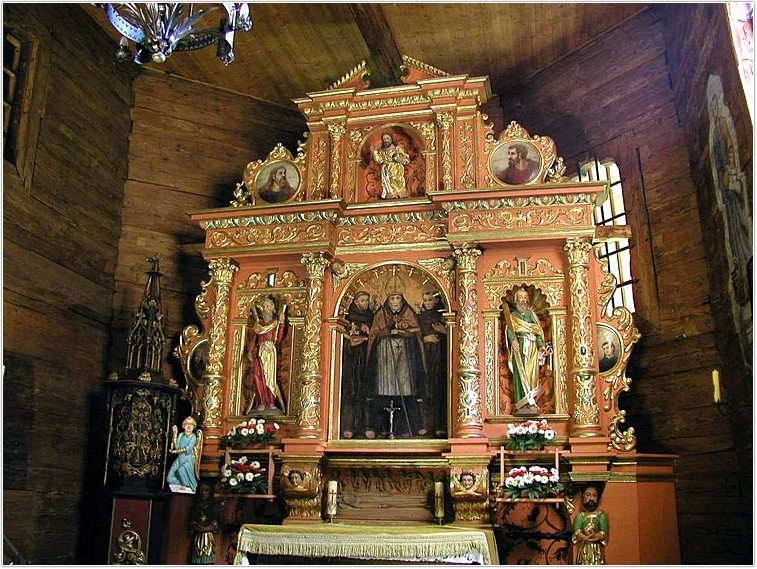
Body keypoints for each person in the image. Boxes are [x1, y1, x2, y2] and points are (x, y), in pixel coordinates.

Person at [365, 293, 428, 438]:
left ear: (402, 300)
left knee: (405, 390)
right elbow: (374, 334)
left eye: (397, 298)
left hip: (404, 358)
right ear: (388, 300)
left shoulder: (408, 313)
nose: (395, 301)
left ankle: (406, 428)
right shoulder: (381, 314)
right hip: (385, 357)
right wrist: (385, 331)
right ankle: (381, 428)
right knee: (384, 390)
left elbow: (417, 333)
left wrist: (406, 332)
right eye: (392, 298)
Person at [503, 287, 547, 415]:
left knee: (532, 374)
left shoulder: (531, 315)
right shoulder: (513, 316)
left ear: (527, 300)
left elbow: (538, 331)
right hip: (519, 347)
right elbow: (509, 330)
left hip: (532, 347)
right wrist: (513, 340)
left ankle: (532, 402)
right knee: (519, 374)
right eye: (520, 297)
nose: (522, 300)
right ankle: (521, 403)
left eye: (524, 298)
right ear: (516, 300)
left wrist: (541, 345)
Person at [243, 296, 287, 414]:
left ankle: (271, 401)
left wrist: (282, 324)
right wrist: (249, 351)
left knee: (270, 377)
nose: (267, 309)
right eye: (265, 306)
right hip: (260, 352)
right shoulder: (259, 324)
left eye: (269, 306)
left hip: (270, 351)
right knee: (257, 376)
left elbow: (279, 338)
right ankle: (261, 401)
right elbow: (253, 339)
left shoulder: (275, 323)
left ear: (273, 308)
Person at [340, 291, 375, 438]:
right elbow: (345, 338)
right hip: (351, 361)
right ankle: (348, 426)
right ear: (355, 302)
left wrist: (370, 333)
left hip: (367, 360)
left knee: (367, 392)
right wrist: (355, 338)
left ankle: (367, 426)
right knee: (351, 391)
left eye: (367, 300)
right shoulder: (348, 318)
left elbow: (376, 335)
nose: (365, 303)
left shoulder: (372, 317)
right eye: (362, 300)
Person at [417, 290, 447, 437]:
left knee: (439, 390)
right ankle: (425, 425)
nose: (428, 302)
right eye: (425, 300)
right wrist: (425, 339)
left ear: (436, 301)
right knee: (425, 390)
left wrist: (444, 331)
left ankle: (440, 425)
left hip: (440, 357)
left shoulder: (442, 316)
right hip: (424, 358)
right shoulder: (420, 317)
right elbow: (414, 336)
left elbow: (454, 335)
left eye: (430, 300)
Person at [572, 485, 609, 565]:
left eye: (594, 495)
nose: (591, 498)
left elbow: (604, 532)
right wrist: (584, 537)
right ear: (582, 497)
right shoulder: (580, 516)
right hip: (584, 549)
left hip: (596, 549)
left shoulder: (601, 515)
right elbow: (576, 531)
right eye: (588, 495)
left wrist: (595, 535)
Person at [167, 416, 201, 493]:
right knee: (169, 478)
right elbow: (177, 446)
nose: (189, 426)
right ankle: (180, 483)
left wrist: (175, 452)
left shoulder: (193, 437)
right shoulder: (181, 435)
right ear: (183, 425)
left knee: (181, 470)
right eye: (187, 424)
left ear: (194, 426)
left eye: (191, 424)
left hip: (187, 459)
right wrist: (175, 434)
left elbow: (188, 449)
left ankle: (186, 484)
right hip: (179, 459)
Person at [188, 481, 220, 564]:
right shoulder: (195, 507)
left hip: (208, 538)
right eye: (201, 490)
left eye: (206, 490)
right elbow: (192, 523)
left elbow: (216, 523)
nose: (203, 493)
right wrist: (199, 528)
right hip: (198, 538)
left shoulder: (214, 507)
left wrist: (206, 529)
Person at [371, 132, 410, 199]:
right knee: (387, 183)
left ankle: (399, 193)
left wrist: (400, 160)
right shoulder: (382, 151)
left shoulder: (398, 148)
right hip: (386, 171)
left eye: (387, 138)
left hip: (396, 169)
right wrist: (374, 152)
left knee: (397, 180)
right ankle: (390, 194)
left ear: (391, 139)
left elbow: (406, 158)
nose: (386, 140)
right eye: (384, 139)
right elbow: (379, 160)